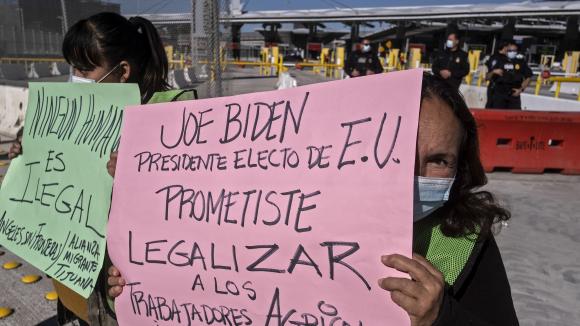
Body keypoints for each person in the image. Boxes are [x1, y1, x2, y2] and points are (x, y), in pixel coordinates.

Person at [107, 73, 519, 325]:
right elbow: (218, 271)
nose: (412, 175)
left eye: (438, 160)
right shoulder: (293, 208)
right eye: (398, 154)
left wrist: (441, 318)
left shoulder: (462, 240)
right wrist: (146, 281)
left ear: (460, 168)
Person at [9, 11, 170, 326]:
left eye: (84, 68)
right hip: (79, 279)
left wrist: (140, 175)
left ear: (122, 71)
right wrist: (29, 154)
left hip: (124, 291)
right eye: (72, 67)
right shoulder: (77, 116)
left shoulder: (165, 124)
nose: (75, 77)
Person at [486, 40, 532, 109]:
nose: (512, 52)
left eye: (515, 51)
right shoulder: (499, 60)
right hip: (499, 93)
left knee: (514, 116)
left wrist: (521, 89)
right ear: (506, 51)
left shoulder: (520, 62)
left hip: (514, 94)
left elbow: (528, 76)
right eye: (510, 51)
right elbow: (487, 77)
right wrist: (493, 72)